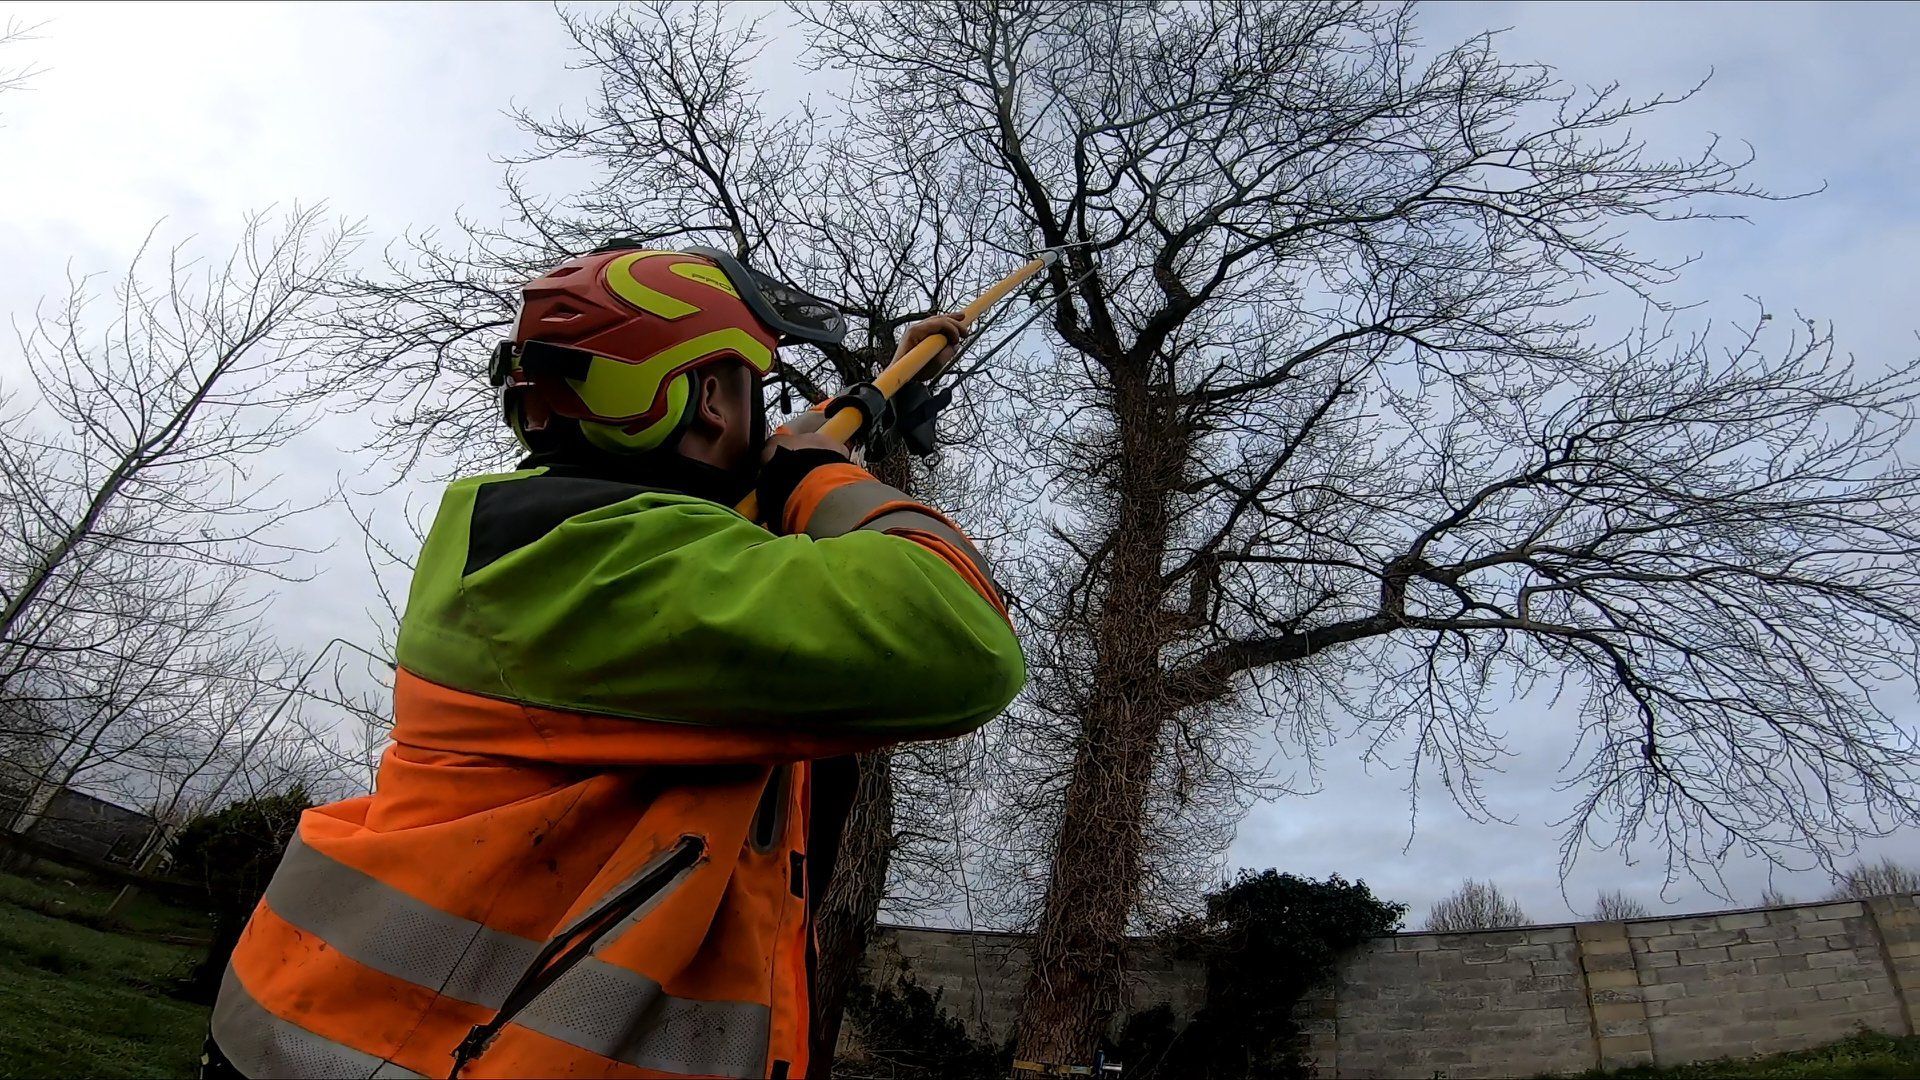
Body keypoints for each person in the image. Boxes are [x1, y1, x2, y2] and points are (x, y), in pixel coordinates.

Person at [205, 243, 1025, 1079]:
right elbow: (962, 636)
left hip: (323, 1033)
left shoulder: (533, 544)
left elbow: (730, 564)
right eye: (751, 388)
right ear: (709, 399)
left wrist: (877, 385)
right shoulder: (608, 565)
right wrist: (816, 475)